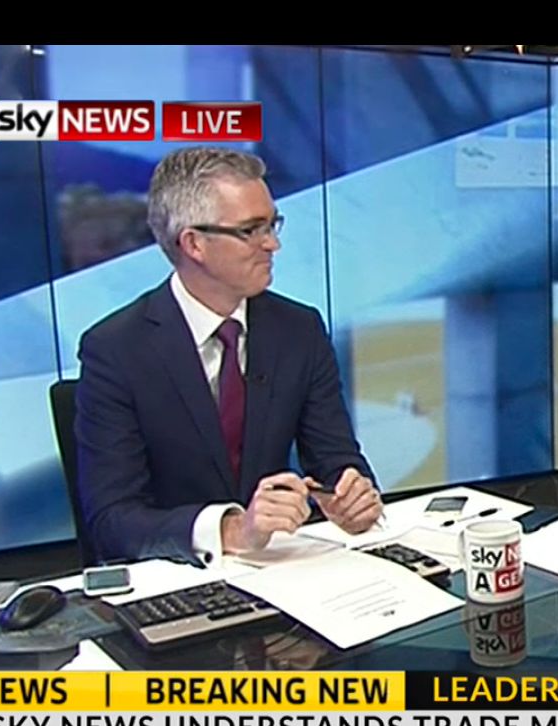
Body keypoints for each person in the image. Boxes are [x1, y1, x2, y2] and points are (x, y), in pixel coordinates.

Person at [75, 147, 382, 565]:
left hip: (279, 571)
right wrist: (232, 530)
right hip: (177, 576)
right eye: (251, 230)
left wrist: (352, 497)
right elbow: (112, 523)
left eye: (272, 225)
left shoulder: (299, 330)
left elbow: (336, 459)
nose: (272, 243)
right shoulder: (116, 350)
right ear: (194, 243)